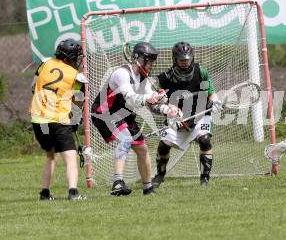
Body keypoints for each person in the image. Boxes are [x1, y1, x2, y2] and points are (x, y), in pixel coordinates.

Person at [91, 42, 176, 196]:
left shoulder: (144, 79)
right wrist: (151, 97)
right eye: (148, 61)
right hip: (105, 112)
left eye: (152, 62)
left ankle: (148, 188)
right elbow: (131, 98)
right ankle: (117, 183)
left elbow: (151, 105)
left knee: (142, 149)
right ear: (138, 59)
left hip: (124, 115)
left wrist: (167, 110)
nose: (151, 65)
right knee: (125, 139)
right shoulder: (122, 73)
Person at [152, 41, 223, 188]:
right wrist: (169, 109)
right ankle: (160, 175)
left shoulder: (201, 72)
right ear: (174, 59)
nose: (185, 63)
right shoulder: (165, 78)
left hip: (200, 114)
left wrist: (215, 102)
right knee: (164, 146)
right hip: (176, 119)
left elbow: (211, 92)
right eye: (181, 60)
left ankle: (204, 179)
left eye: (187, 59)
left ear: (192, 57)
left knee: (204, 140)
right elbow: (155, 99)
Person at [29, 38, 87, 200]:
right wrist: (75, 120)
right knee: (70, 156)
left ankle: (45, 193)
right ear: (71, 57)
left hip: (38, 118)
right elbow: (76, 100)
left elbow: (33, 88)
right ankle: (73, 192)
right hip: (58, 119)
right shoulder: (74, 75)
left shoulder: (45, 64)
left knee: (51, 155)